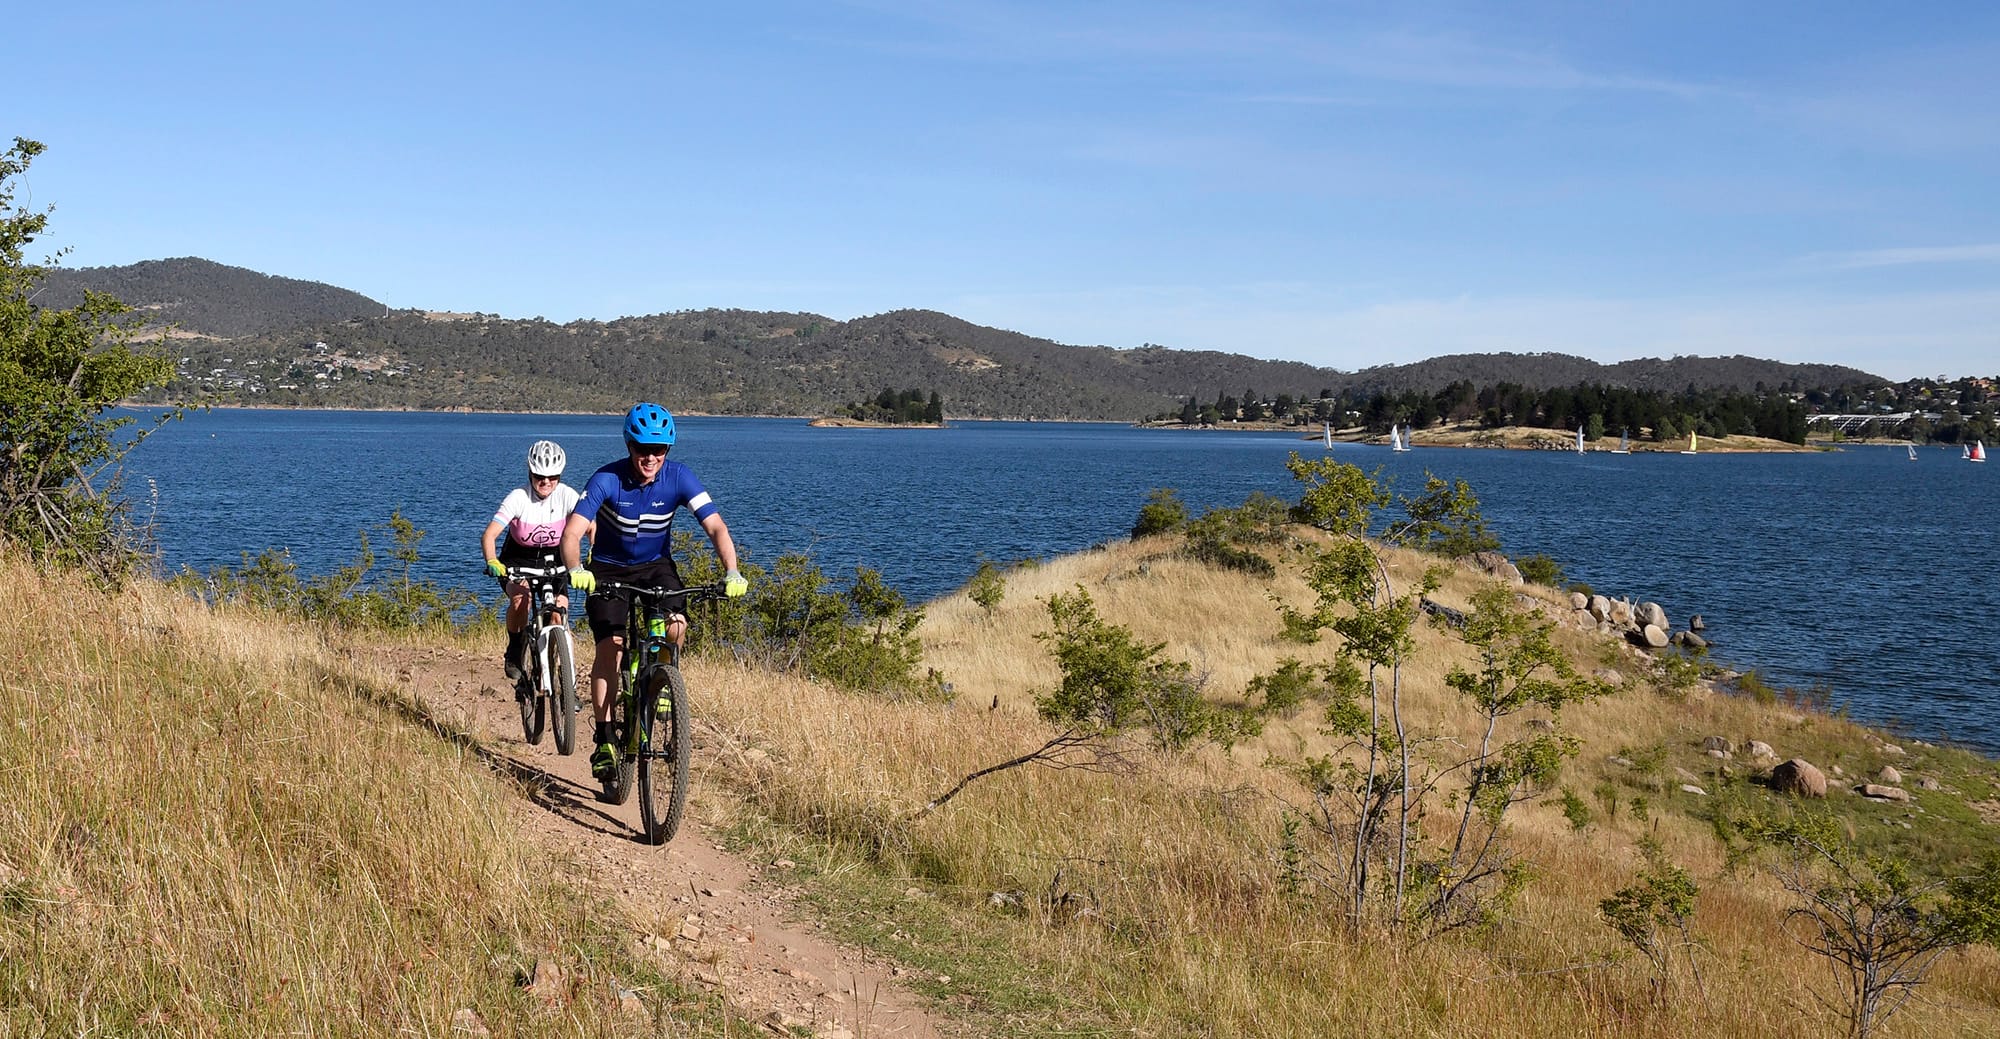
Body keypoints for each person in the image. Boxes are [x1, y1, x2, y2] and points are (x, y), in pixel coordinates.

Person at [561, 403, 748, 779]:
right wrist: (576, 568)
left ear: (668, 450)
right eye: (642, 448)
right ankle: (606, 738)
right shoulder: (606, 479)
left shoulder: (679, 477)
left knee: (676, 626)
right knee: (610, 649)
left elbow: (716, 527)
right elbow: (572, 533)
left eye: (658, 449)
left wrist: (733, 572)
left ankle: (662, 682)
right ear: (629, 445)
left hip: (655, 567)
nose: (650, 457)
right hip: (608, 569)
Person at [482, 440, 582, 681]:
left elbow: (591, 526)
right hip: (518, 560)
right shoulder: (518, 497)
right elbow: (489, 535)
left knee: (559, 616)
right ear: (530, 472)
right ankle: (515, 648)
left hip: (555, 560)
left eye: (552, 477)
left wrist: (591, 555)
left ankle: (563, 682)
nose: (545, 482)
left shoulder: (567, 495)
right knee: (521, 600)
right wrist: (492, 560)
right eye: (539, 476)